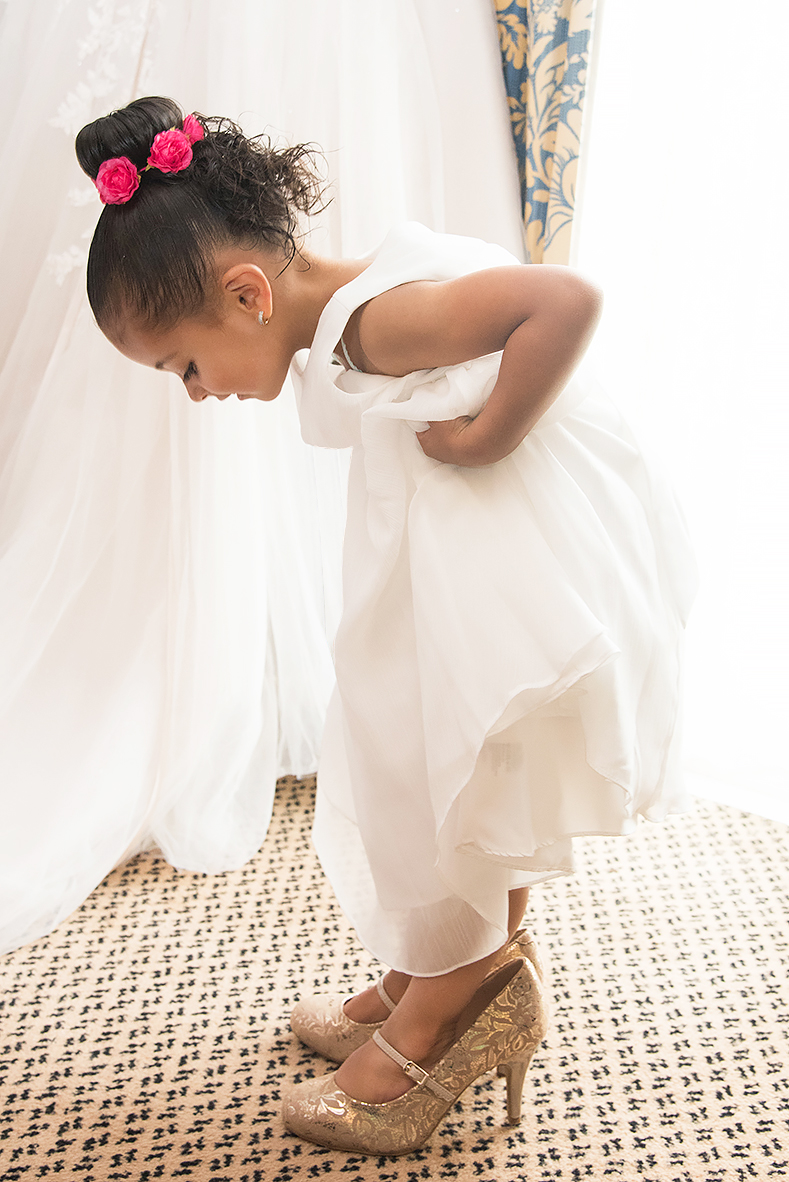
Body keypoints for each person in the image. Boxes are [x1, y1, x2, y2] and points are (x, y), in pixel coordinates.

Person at [75, 96, 696, 1156]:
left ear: (246, 293)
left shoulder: (376, 322)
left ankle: (451, 1003)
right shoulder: (351, 317)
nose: (193, 393)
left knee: (439, 765)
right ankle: (444, 967)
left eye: (184, 365)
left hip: (505, 572)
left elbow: (564, 298)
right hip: (462, 560)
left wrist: (496, 430)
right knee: (427, 757)